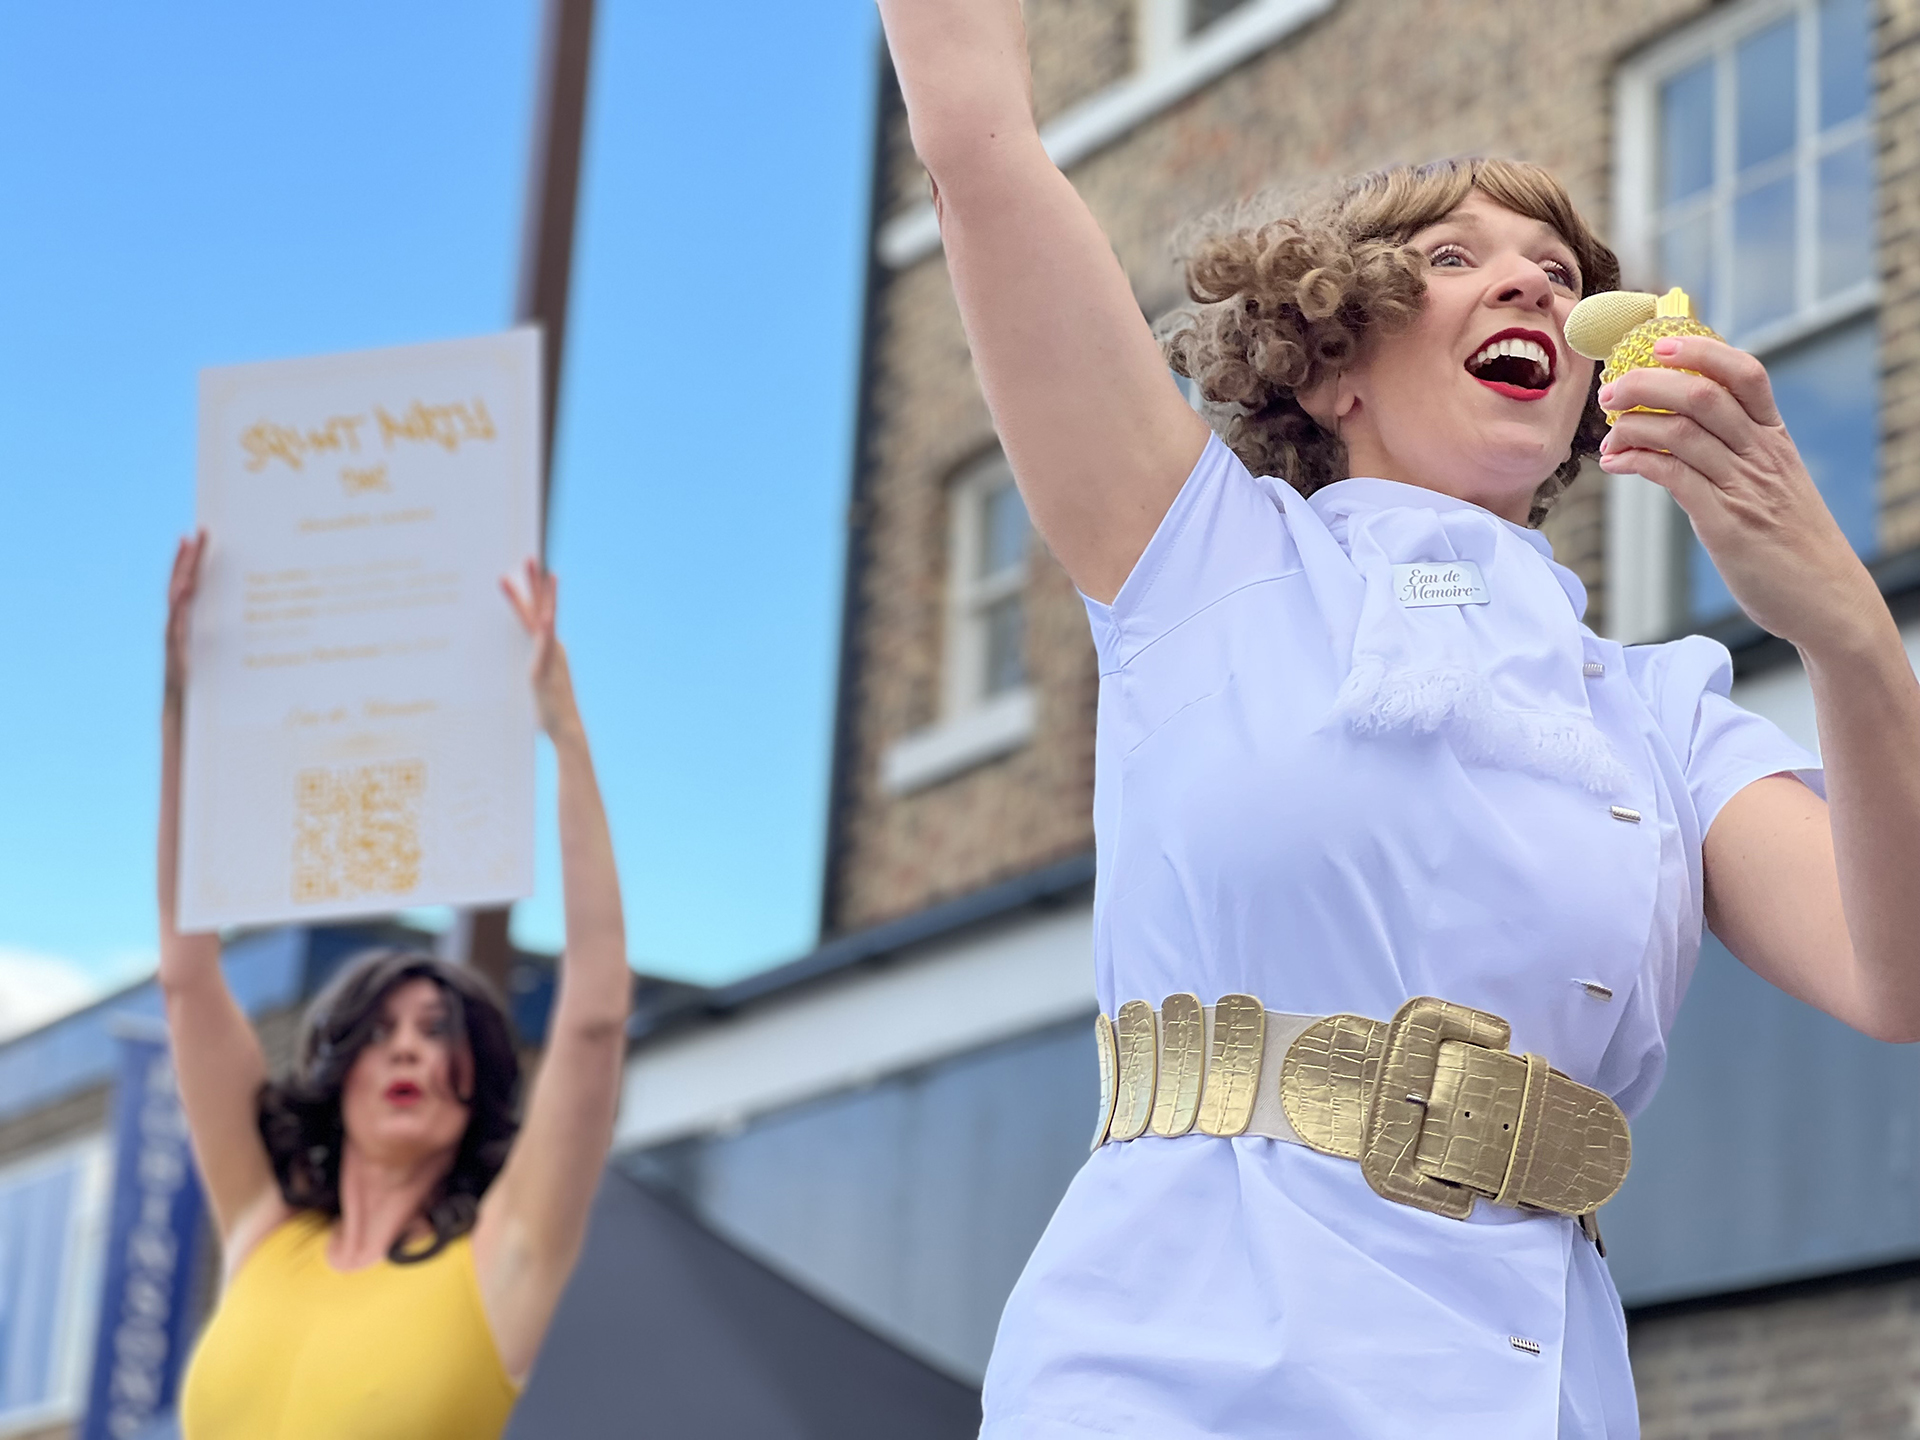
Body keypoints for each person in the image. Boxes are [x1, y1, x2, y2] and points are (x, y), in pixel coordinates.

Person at [876, 3, 1920, 1436]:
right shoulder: (1202, 559)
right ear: (1330, 362)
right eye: (1454, 259)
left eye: (1560, 275)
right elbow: (982, 153)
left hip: (1525, 1387)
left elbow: (1896, 973)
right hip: (1184, 1372)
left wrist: (1847, 631)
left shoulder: (1662, 710)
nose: (1533, 290)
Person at [161, 541, 630, 1439]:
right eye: (379, 1033)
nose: (408, 1047)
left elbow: (596, 1020)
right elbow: (187, 979)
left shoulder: (504, 1258)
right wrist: (187, 705)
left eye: (435, 1029)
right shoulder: (263, 1230)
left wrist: (562, 733)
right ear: (339, 1070)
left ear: (476, 1078)